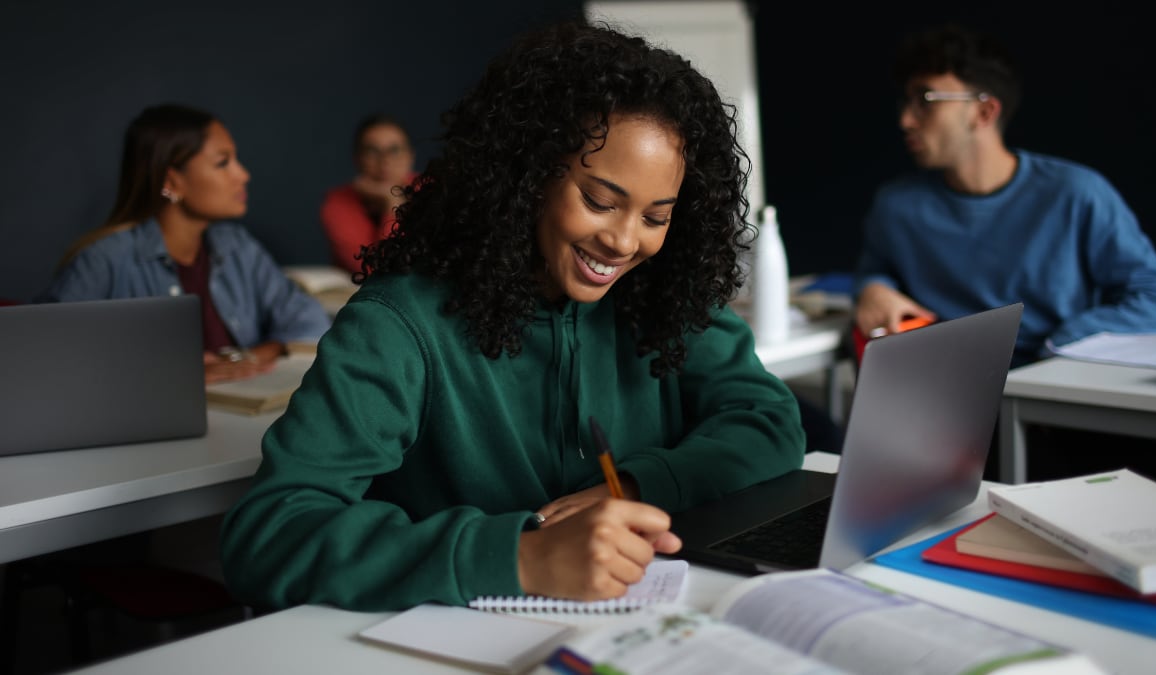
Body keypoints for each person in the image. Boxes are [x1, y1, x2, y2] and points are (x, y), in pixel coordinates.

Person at [220, 20, 807, 612]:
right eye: (599, 201)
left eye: (656, 217)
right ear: (529, 174)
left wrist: (634, 484)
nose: (625, 241)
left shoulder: (661, 294)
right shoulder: (399, 325)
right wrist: (522, 557)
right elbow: (269, 534)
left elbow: (769, 420)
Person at [853, 22, 1156, 369]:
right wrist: (872, 288)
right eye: (906, 102)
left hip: (1054, 383)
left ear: (984, 112)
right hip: (947, 385)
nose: (906, 120)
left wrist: (1064, 341)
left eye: (925, 100)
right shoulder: (896, 206)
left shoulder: (1074, 193)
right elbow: (876, 270)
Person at [39, 103, 331, 383]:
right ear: (172, 181)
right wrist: (165, 376)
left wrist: (251, 357)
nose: (243, 174)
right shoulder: (104, 260)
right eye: (222, 162)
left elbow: (311, 320)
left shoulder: (237, 246)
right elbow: (43, 361)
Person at [319, 114, 418, 272]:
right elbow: (374, 269)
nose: (385, 161)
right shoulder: (338, 204)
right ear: (357, 159)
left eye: (394, 150)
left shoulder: (430, 190)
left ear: (410, 156)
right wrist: (392, 203)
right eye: (372, 151)